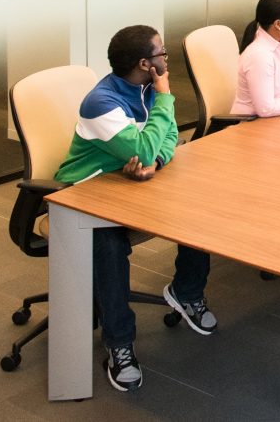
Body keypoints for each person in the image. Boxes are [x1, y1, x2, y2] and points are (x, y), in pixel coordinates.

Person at [55, 25, 215, 392]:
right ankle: (120, 343)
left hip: (130, 184)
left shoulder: (144, 89)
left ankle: (187, 291)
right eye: (162, 54)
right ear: (146, 63)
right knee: (109, 247)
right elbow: (143, 146)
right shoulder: (101, 102)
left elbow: (169, 136)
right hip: (86, 191)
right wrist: (164, 101)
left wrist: (154, 160)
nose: (166, 60)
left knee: (199, 207)